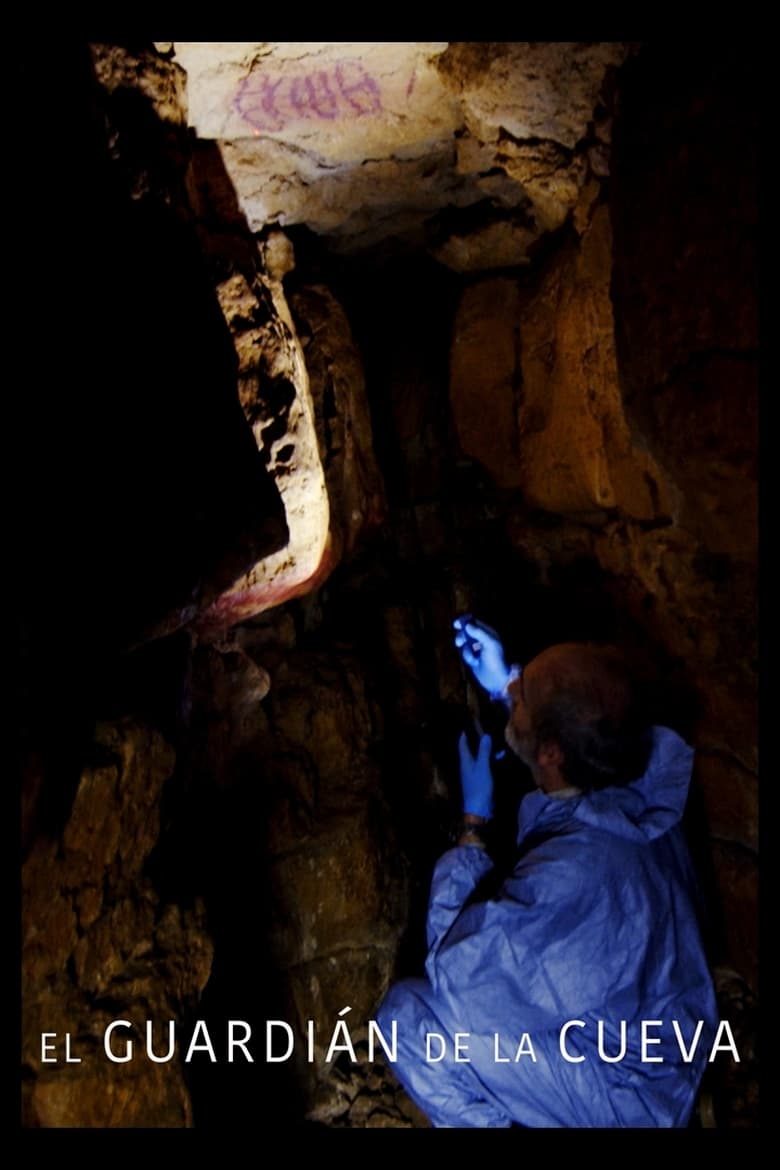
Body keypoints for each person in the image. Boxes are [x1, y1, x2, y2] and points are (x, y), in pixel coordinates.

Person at [376, 615, 719, 1128]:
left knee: (407, 1018)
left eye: (523, 697)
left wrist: (473, 825)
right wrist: (507, 684)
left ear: (552, 752)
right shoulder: (633, 776)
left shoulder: (571, 874)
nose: (513, 693)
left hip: (628, 1094)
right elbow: (579, 721)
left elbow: (458, 972)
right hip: (661, 1045)